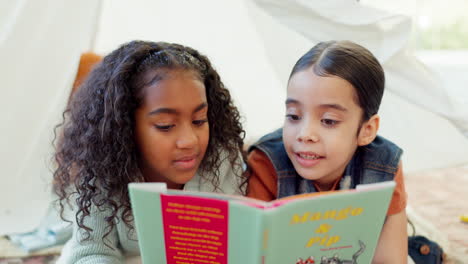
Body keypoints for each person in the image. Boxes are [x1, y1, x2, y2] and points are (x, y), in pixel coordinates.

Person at [53, 40, 247, 263]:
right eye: (165, 125)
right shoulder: (103, 169)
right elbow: (91, 252)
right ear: (125, 128)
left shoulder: (220, 161)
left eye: (199, 120)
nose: (189, 141)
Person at [247, 40, 408, 263]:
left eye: (328, 121)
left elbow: (390, 260)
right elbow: (252, 253)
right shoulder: (266, 161)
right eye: (294, 116)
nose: (305, 134)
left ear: (367, 130)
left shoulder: (384, 165)